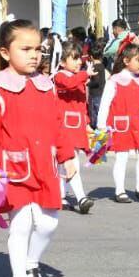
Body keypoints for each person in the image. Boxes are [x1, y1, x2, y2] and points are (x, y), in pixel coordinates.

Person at [0, 19, 77, 277]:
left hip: (45, 166)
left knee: (48, 224)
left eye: (38, 49)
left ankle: (32, 263)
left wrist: (67, 155)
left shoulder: (47, 85)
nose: (34, 55)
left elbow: (58, 126)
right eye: (26, 49)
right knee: (20, 226)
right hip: (13, 169)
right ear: (6, 53)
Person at [98, 44, 139, 203]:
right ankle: (120, 190)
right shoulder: (114, 80)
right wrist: (102, 126)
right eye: (138, 60)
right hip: (121, 126)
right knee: (122, 157)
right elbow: (105, 104)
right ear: (127, 60)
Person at [53, 41, 94, 213]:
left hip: (76, 128)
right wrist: (85, 75)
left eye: (80, 59)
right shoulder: (59, 76)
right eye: (75, 58)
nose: (79, 62)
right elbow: (69, 84)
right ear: (62, 62)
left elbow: (81, 104)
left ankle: (60, 196)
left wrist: (87, 123)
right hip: (63, 128)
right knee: (70, 161)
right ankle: (81, 197)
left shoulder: (78, 78)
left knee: (64, 163)